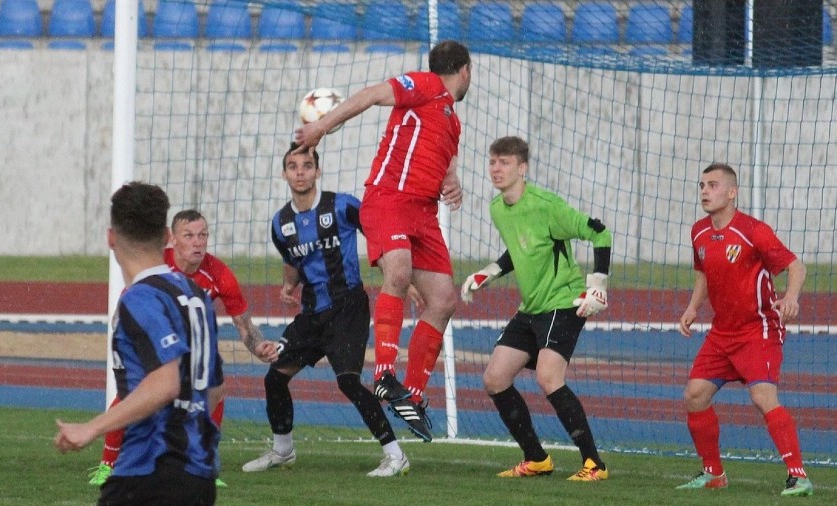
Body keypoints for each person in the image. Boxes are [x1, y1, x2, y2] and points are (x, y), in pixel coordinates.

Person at [294, 40, 473, 442]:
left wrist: (452, 180)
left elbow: (446, 160)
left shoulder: (451, 119)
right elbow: (374, 95)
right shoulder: (425, 85)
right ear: (465, 70)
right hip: (390, 198)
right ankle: (383, 374)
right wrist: (322, 126)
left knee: (444, 298)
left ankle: (410, 393)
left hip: (423, 213)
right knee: (399, 272)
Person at [55, 181, 222, 506]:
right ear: (166, 236)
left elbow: (165, 382)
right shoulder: (196, 296)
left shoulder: (139, 300)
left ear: (111, 238)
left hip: (147, 466)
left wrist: (91, 428)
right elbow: (214, 388)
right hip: (197, 475)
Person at [241, 143, 411, 477]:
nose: (300, 172)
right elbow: (292, 261)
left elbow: (378, 238)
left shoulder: (342, 205)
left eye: (307, 165)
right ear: (284, 173)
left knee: (348, 381)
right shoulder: (281, 223)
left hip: (348, 306)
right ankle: (283, 451)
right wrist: (289, 286)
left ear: (317, 171)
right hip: (311, 314)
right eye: (293, 166)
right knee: (275, 379)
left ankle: (395, 455)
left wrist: (404, 278)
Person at [88, 209, 277, 487]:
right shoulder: (154, 265)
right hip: (145, 334)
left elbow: (244, 324)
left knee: (215, 387)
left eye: (203, 235)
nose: (197, 242)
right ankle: (109, 464)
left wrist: (259, 346)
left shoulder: (219, 274)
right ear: (172, 240)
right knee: (137, 391)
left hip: (188, 343)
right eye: (189, 236)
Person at [461, 136, 611, 480]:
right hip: (531, 308)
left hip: (563, 302)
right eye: (493, 162)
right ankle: (537, 459)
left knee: (548, 377)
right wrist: (490, 272)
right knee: (495, 378)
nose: (497, 169)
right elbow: (521, 248)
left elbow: (600, 233)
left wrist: (597, 285)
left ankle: (594, 464)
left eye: (505, 163)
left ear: (522, 168)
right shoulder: (498, 207)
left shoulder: (547, 205)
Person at [676, 163, 812, 496]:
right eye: (702, 186)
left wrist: (791, 296)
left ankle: (799, 476)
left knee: (762, 395)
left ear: (732, 192)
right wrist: (694, 306)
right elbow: (704, 273)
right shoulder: (698, 232)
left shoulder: (753, 230)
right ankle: (714, 474)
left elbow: (796, 265)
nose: (705, 191)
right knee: (694, 395)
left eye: (713, 185)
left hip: (758, 329)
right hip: (722, 332)